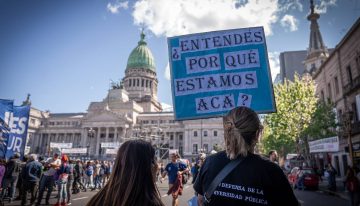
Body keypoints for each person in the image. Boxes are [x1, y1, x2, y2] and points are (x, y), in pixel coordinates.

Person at [194, 106, 299, 206]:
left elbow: (200, 200)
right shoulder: (272, 171)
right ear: (257, 134)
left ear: (227, 132)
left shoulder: (209, 163)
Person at [86, 140, 164, 206]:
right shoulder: (151, 203)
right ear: (149, 166)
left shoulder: (97, 200)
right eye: (154, 160)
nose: (157, 165)